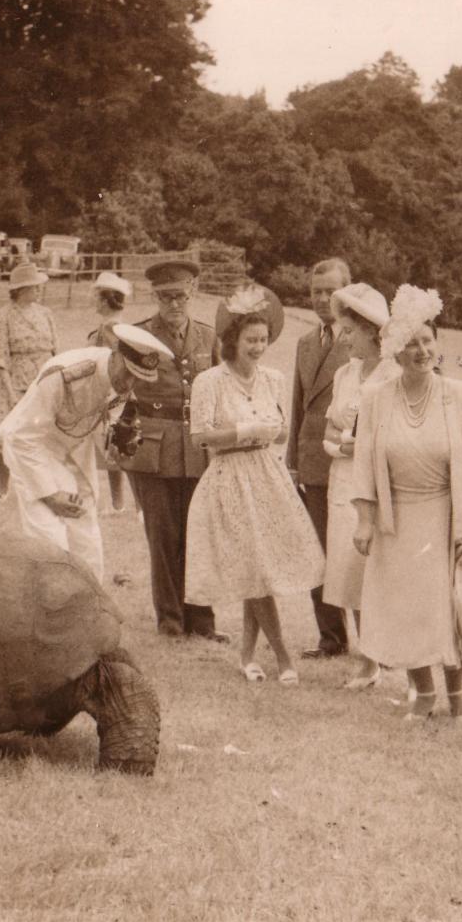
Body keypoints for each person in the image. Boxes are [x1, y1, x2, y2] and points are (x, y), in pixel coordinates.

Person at [351, 285, 462, 722]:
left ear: (438, 344)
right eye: (411, 343)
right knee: (406, 607)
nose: (421, 351)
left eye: (427, 341)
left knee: (452, 606)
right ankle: (425, 693)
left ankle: (458, 697)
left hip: (447, 515)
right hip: (398, 520)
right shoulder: (376, 398)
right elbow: (362, 462)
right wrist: (364, 520)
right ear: (394, 351)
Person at [185, 286, 325, 684]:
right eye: (251, 340)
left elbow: (280, 434)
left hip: (268, 477)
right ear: (232, 340)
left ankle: (247, 656)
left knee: (258, 569)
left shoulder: (273, 379)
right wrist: (248, 429)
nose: (258, 347)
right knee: (256, 569)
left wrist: (270, 431)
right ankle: (283, 658)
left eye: (263, 340)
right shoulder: (209, 381)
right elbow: (200, 436)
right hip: (229, 478)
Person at [0, 323, 174, 582]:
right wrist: (51, 495)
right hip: (32, 450)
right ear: (116, 354)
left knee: (86, 537)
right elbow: (23, 436)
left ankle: (90, 609)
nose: (129, 383)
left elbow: (103, 430)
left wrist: (121, 442)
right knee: (50, 540)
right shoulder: (67, 373)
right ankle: (50, 614)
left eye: (138, 378)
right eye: (128, 373)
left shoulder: (122, 385)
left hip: (73, 452)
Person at [118, 258, 227, 642]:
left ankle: (202, 620)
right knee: (162, 537)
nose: (174, 304)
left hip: (197, 448)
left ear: (193, 292)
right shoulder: (137, 336)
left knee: (198, 535)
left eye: (180, 295)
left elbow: (221, 389)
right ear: (154, 296)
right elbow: (119, 390)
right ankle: (170, 621)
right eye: (166, 297)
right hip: (154, 449)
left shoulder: (208, 336)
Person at [320, 283, 399, 689]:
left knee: (377, 569)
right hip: (344, 479)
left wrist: (365, 444)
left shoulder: (394, 373)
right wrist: (336, 445)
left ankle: (378, 655)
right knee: (350, 568)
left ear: (372, 331)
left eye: (349, 331)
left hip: (380, 481)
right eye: (341, 330)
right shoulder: (343, 374)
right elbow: (332, 425)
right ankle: (368, 657)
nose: (343, 338)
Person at [288, 258, 354, 659]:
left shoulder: (364, 339)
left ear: (347, 290)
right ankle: (331, 638)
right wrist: (292, 460)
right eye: (316, 291)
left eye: (331, 291)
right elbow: (298, 405)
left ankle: (374, 643)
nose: (323, 299)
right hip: (312, 462)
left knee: (352, 553)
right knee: (315, 553)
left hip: (349, 461)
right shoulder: (305, 342)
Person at [0, 263, 58, 501]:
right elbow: (0, 357)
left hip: (44, 381)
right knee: (6, 435)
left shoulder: (46, 313)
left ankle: (44, 486)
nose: (38, 290)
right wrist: (10, 391)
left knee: (45, 435)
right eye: (34, 286)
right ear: (20, 289)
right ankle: (3, 487)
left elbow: (55, 351)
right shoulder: (3, 316)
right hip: (17, 382)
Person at [87, 271, 135, 513]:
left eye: (97, 297)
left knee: (119, 449)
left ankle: (134, 507)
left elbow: (115, 365)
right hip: (111, 394)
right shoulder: (115, 327)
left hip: (113, 396)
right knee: (114, 450)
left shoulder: (111, 329)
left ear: (106, 301)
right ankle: (119, 505)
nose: (94, 302)